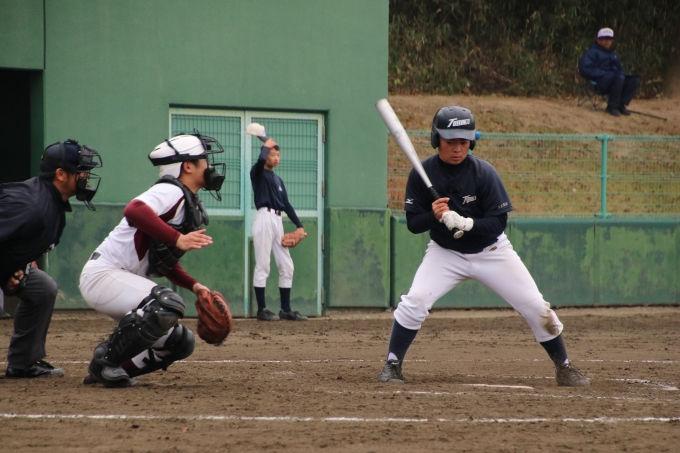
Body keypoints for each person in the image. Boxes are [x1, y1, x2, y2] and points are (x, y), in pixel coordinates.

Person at [378, 106, 590, 387]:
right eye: (450, 142)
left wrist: (467, 224)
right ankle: (392, 364)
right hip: (445, 253)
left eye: (463, 142)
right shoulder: (422, 173)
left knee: (537, 307)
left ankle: (564, 367)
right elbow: (414, 224)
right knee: (415, 301)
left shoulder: (483, 173)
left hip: (492, 252)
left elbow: (498, 223)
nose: (457, 148)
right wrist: (434, 216)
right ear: (436, 139)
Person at [79, 132, 226, 388]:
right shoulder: (170, 190)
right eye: (205, 159)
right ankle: (107, 363)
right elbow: (134, 209)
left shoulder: (183, 198)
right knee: (166, 304)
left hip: (122, 281)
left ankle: (107, 368)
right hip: (104, 274)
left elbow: (162, 261)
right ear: (187, 166)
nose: (210, 166)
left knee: (180, 342)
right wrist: (178, 238)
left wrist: (196, 286)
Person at [1, 139, 103, 378]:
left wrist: (16, 267)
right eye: (82, 171)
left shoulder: (53, 203)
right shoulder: (31, 205)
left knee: (42, 288)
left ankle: (23, 363)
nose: (87, 177)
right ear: (61, 174)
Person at [250, 135, 307, 321]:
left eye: (278, 155)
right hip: (264, 218)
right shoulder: (257, 173)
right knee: (263, 264)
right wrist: (265, 145)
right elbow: (260, 161)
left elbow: (287, 205)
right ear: (265, 154)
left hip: (277, 220)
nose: (275, 158)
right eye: (272, 154)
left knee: (287, 265)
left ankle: (286, 309)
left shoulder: (278, 180)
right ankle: (261, 309)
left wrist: (299, 226)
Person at [578, 27, 640, 117]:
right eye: (605, 39)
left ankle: (620, 104)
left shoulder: (613, 54)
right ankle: (612, 106)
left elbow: (620, 69)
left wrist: (624, 75)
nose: (607, 41)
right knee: (619, 78)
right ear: (598, 40)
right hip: (598, 83)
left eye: (609, 39)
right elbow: (584, 69)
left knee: (634, 80)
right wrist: (604, 74)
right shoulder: (591, 53)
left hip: (614, 80)